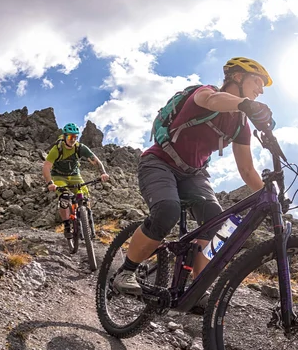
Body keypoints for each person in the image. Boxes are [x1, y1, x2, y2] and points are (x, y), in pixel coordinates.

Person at [112, 57, 275, 311]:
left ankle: (198, 287)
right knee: (167, 210)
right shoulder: (205, 93)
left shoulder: (240, 124)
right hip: (159, 162)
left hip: (193, 174)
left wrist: (274, 199)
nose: (261, 89)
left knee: (217, 222)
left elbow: (246, 169)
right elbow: (212, 102)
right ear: (238, 78)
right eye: (257, 81)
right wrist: (246, 105)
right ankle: (126, 270)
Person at [42, 122, 109, 238]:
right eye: (70, 136)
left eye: (75, 137)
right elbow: (46, 167)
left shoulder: (80, 148)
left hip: (74, 176)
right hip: (59, 176)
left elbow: (96, 161)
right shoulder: (57, 149)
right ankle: (67, 224)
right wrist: (50, 183)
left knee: (84, 197)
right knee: (64, 198)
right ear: (64, 136)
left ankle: (86, 221)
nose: (73, 139)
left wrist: (103, 173)